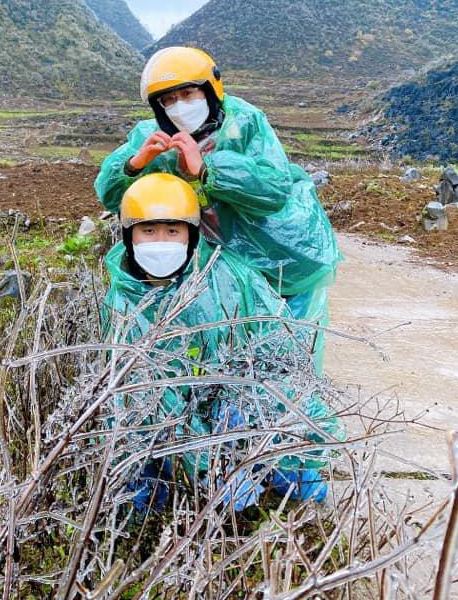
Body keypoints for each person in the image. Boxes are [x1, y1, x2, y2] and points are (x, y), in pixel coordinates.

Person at [95, 46, 340, 372]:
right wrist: (135, 164)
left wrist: (208, 170)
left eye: (188, 93)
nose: (179, 106)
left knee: (290, 349)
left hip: (283, 251)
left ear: (210, 90)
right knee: (234, 335)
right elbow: (112, 197)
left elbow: (274, 189)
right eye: (168, 100)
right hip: (224, 254)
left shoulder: (245, 121)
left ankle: (291, 409)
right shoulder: (152, 136)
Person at [103, 172, 335, 513]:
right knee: (134, 458)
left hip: (223, 403)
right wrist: (205, 458)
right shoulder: (122, 303)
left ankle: (276, 477)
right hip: (163, 424)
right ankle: (152, 507)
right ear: (129, 236)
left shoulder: (226, 278)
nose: (161, 242)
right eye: (148, 231)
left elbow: (278, 350)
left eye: (173, 231)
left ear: (191, 235)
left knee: (285, 455)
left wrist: (297, 429)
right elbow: (144, 397)